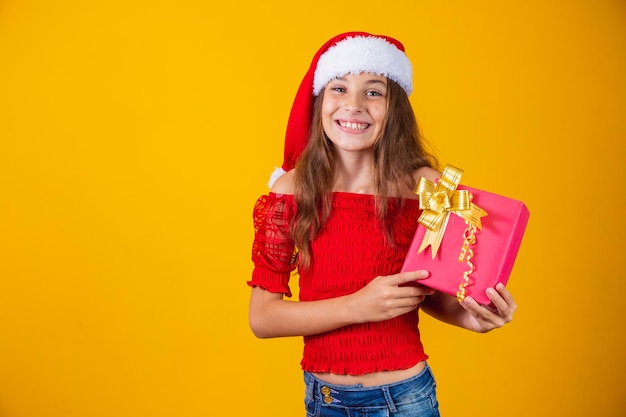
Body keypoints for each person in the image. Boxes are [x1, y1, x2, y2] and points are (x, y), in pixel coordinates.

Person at [247, 32, 517, 417]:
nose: (353, 105)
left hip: (404, 399)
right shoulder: (291, 190)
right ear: (320, 100)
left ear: (395, 109)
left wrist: (473, 317)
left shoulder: (427, 188)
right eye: (339, 88)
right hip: (324, 401)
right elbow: (262, 318)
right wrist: (360, 305)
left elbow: (431, 295)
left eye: (373, 92)